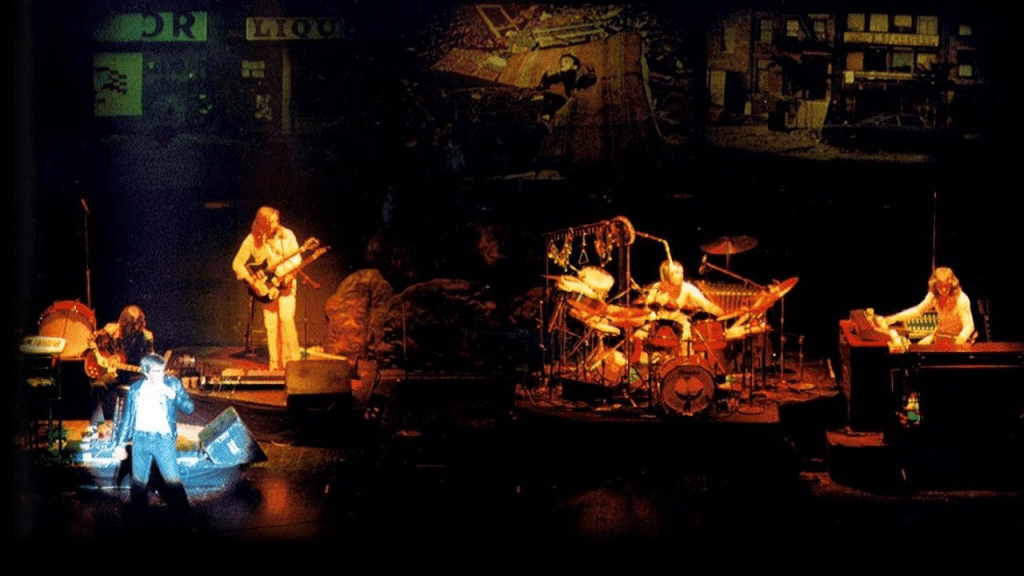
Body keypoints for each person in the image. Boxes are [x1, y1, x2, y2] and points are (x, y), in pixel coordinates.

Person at [112, 353, 195, 529]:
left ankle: (186, 523)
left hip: (162, 440)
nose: (161, 375)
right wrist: (120, 444)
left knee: (173, 482)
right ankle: (137, 524)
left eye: (163, 370)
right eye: (156, 371)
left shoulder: (172, 384)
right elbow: (127, 418)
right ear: (146, 372)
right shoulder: (136, 389)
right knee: (138, 484)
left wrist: (174, 396)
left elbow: (189, 408)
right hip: (140, 440)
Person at [232, 206, 302, 371]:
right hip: (267, 288)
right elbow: (237, 264)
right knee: (271, 325)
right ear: (262, 223)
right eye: (271, 222)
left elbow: (297, 258)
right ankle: (274, 364)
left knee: (286, 320)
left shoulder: (287, 235)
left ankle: (293, 363)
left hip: (286, 283)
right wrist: (252, 281)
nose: (275, 225)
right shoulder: (252, 239)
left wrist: (286, 273)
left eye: (276, 221)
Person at [85, 305, 155, 436]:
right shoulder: (111, 330)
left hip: (132, 374)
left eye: (135, 326)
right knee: (98, 386)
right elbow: (90, 339)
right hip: (110, 372)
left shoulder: (146, 337)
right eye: (129, 326)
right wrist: (99, 357)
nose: (132, 329)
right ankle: (97, 426)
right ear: (122, 323)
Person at [883, 266, 976, 345]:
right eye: (940, 286)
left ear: (952, 283)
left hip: (958, 338)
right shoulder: (933, 295)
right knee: (919, 348)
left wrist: (958, 344)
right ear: (935, 285)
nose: (944, 290)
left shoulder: (961, 299)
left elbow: (969, 326)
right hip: (939, 336)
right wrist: (894, 318)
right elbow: (918, 311)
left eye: (946, 286)